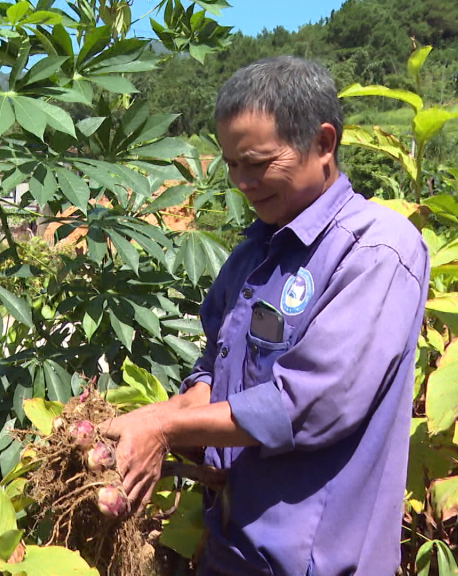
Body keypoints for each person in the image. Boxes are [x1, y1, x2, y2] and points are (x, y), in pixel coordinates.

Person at [100, 56, 429, 575]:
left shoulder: (377, 250)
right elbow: (216, 373)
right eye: (231, 164)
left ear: (323, 143)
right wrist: (143, 426)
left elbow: (309, 405)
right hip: (228, 549)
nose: (242, 183)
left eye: (257, 163)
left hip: (314, 564)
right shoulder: (252, 254)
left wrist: (164, 425)